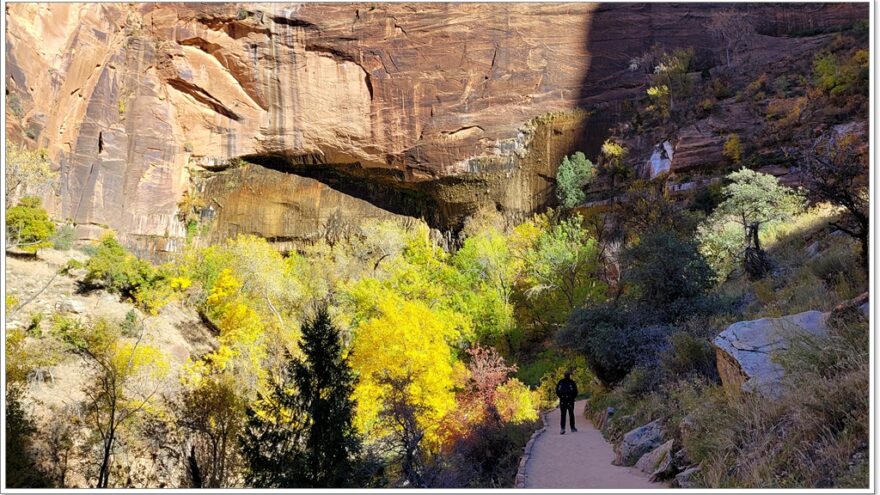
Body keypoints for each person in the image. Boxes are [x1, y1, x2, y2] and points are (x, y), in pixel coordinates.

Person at [556, 370, 578, 434]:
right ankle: (572, 427)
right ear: (569, 376)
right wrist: (572, 398)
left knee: (563, 414)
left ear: (564, 375)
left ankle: (563, 428)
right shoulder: (572, 382)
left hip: (563, 400)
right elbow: (575, 391)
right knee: (571, 414)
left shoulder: (561, 382)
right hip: (570, 400)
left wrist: (561, 397)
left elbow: (557, 391)